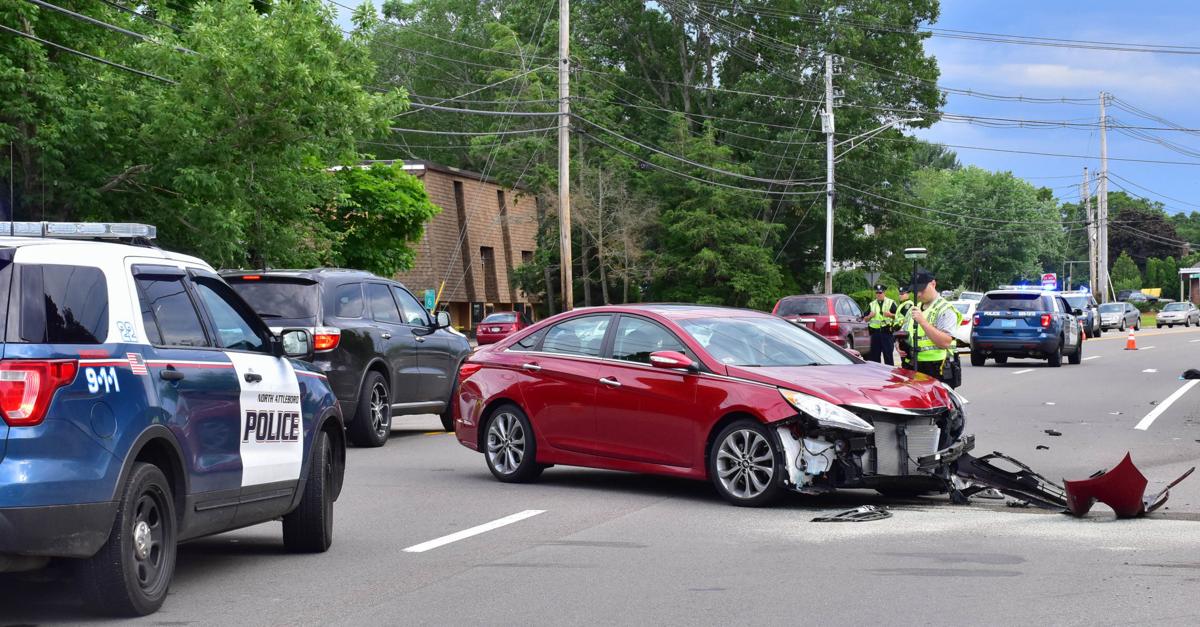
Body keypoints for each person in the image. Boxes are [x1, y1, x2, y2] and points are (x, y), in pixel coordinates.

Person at [898, 271, 963, 386]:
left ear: (933, 284)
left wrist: (923, 322)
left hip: (938, 368)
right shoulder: (914, 309)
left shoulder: (945, 309)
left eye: (922, 290)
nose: (918, 294)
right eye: (915, 291)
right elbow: (904, 332)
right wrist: (899, 346)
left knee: (938, 403)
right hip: (914, 366)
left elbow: (945, 342)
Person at [862, 284, 897, 365]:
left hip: (887, 333)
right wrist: (870, 316)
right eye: (877, 293)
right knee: (874, 357)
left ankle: (889, 374)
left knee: (888, 356)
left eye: (880, 293)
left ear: (884, 293)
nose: (878, 294)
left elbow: (898, 317)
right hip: (875, 334)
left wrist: (890, 315)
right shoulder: (872, 304)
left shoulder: (891, 303)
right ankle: (877, 375)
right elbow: (864, 319)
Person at [894, 286, 915, 369]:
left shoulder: (908, 305)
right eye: (900, 294)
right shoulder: (903, 304)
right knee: (903, 357)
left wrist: (897, 326)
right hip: (901, 333)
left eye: (902, 294)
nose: (900, 295)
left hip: (904, 333)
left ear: (907, 294)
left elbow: (906, 320)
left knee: (906, 359)